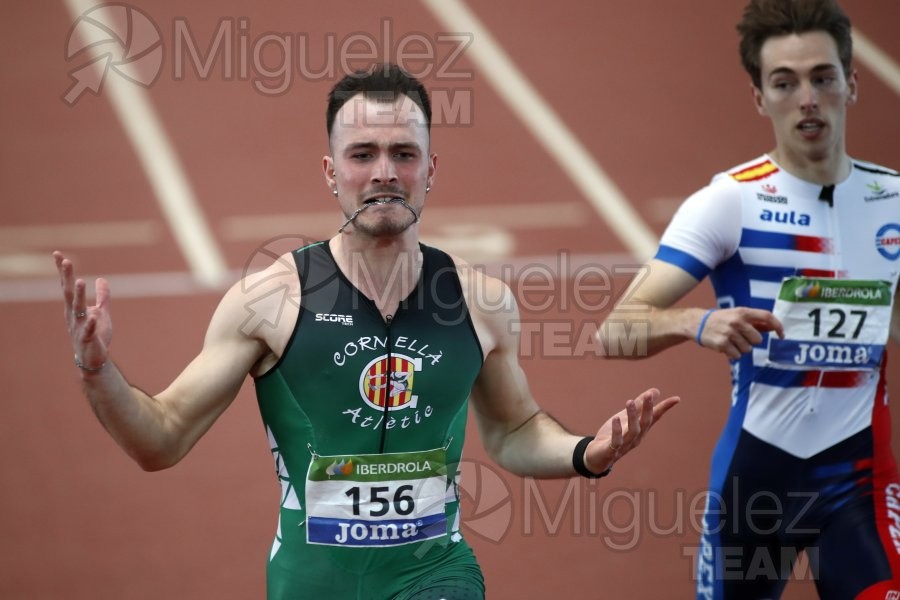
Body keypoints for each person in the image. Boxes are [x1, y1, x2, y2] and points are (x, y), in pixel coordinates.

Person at [54, 64, 678, 600]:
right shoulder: (269, 301)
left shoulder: (482, 302)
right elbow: (160, 440)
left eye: (403, 154)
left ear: (430, 168)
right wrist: (97, 371)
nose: (385, 171)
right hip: (310, 582)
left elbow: (514, 430)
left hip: (437, 575)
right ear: (331, 171)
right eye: (363, 154)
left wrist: (583, 454)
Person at [598, 0, 900, 598]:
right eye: (784, 83)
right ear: (761, 98)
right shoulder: (729, 203)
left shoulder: (892, 201)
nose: (807, 99)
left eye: (822, 77)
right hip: (757, 487)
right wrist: (695, 321)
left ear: (851, 82)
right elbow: (613, 332)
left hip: (859, 481)